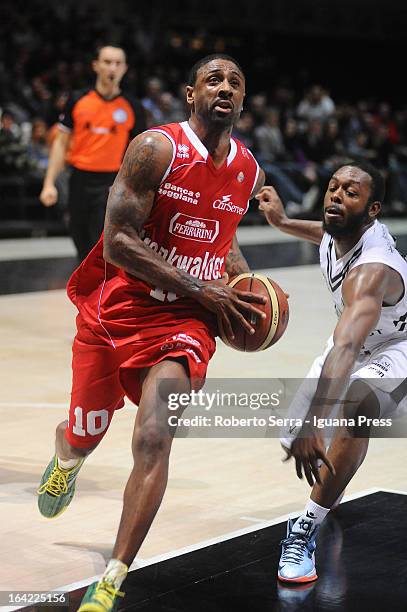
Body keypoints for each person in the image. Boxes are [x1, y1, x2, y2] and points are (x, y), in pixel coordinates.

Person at [37, 54, 267, 612]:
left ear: (243, 102)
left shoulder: (248, 169)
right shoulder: (156, 148)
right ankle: (69, 459)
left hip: (186, 324)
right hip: (120, 308)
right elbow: (117, 242)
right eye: (214, 79)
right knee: (83, 430)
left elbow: (224, 237)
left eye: (236, 82)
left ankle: (113, 577)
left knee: (154, 435)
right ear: (191, 94)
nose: (226, 88)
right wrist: (202, 288)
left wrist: (244, 287)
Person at [257, 160, 407, 583]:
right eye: (333, 187)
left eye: (351, 192)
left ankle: (305, 527)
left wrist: (315, 418)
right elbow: (322, 234)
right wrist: (284, 221)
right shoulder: (340, 231)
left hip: (397, 345)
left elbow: (346, 345)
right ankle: (331, 489)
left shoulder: (372, 270)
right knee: (296, 441)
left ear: (373, 209)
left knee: (356, 409)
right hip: (355, 339)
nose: (337, 196)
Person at [39, 45, 146, 261]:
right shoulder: (77, 100)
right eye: (107, 62)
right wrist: (49, 183)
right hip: (78, 179)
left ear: (125, 68)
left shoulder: (133, 106)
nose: (112, 68)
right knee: (79, 237)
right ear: (96, 66)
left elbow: (140, 153)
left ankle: (99, 291)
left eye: (118, 63)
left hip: (112, 182)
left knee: (100, 241)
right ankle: (85, 290)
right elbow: (61, 144)